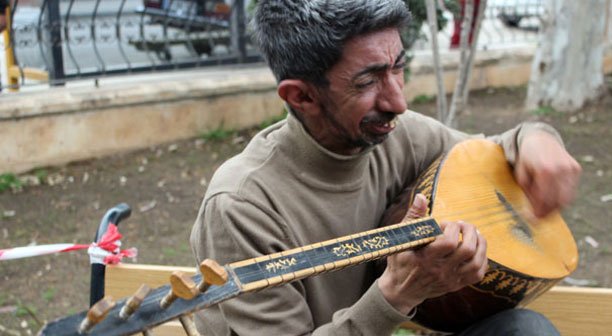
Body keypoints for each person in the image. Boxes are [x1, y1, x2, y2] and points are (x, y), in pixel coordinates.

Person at [190, 1, 581, 335]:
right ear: (302, 96)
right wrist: (399, 293)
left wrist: (537, 138)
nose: (398, 101)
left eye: (397, 68)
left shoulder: (397, 135)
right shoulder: (242, 207)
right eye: (368, 81)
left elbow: (491, 151)